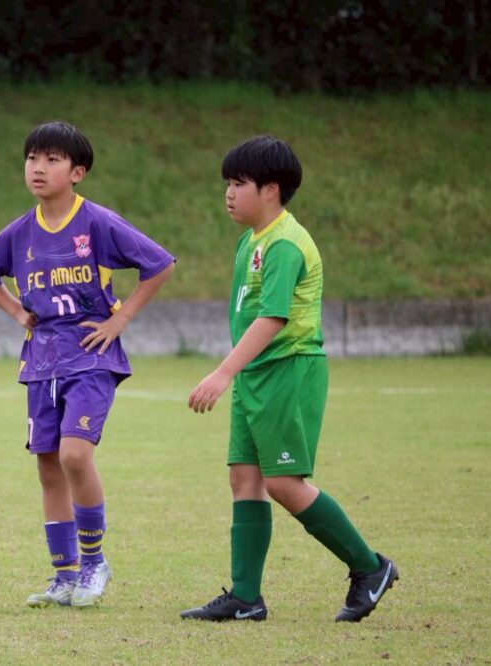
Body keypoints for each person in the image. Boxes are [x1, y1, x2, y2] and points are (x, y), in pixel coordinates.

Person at [181, 135, 398, 623]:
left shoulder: (284, 243)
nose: (228, 193)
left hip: (288, 368)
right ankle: (246, 597)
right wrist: (237, 370)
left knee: (283, 482)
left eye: (239, 183)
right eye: (227, 183)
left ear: (271, 189)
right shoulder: (251, 241)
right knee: (244, 478)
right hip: (256, 372)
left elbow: (273, 318)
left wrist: (222, 372)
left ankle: (370, 566)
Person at [0, 121, 175, 608]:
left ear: (77, 172)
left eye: (52, 159)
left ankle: (94, 563)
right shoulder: (19, 233)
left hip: (90, 356)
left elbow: (160, 263)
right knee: (48, 466)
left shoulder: (97, 223)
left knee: (75, 457)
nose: (38, 168)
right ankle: (63, 575)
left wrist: (120, 319)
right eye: (32, 158)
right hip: (41, 361)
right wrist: (17, 311)